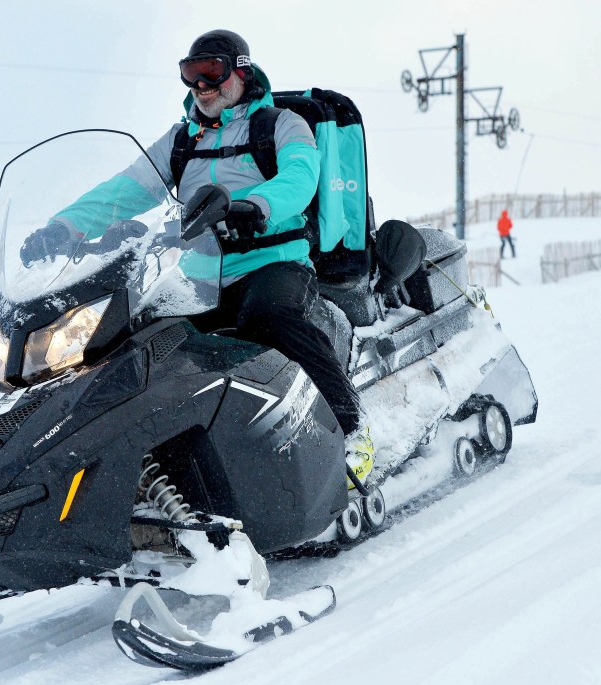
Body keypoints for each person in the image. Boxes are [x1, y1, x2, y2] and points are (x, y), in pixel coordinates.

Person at [20, 30, 373, 483]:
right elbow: (123, 191)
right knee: (140, 346)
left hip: (271, 261)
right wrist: (63, 228)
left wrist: (253, 205)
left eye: (212, 72)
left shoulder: (281, 124)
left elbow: (300, 179)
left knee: (268, 317)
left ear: (240, 71)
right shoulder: (180, 140)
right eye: (191, 74)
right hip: (197, 274)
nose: (201, 85)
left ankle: (353, 427)